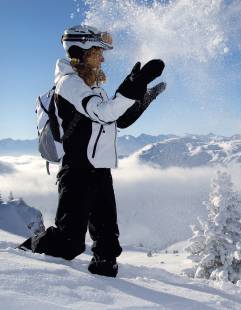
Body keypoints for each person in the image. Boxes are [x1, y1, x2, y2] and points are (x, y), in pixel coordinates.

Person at [19, 25, 165, 277]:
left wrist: (142, 96)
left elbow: (118, 120)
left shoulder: (92, 88)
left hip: (99, 169)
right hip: (76, 171)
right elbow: (103, 112)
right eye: (99, 51)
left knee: (107, 245)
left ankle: (106, 288)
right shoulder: (69, 84)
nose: (103, 57)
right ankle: (22, 255)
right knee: (69, 242)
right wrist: (133, 84)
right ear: (83, 51)